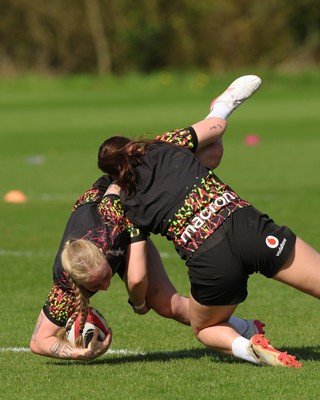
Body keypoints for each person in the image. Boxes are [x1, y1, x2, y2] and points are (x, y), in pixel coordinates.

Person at [97, 75, 320, 368]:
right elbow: (215, 130)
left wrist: (139, 304)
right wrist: (219, 111)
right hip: (243, 224)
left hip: (208, 257)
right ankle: (222, 103)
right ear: (134, 147)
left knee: (205, 329)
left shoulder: (127, 204)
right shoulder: (162, 146)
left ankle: (248, 347)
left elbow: (137, 276)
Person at [30, 164, 264, 361]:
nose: (106, 286)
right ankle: (247, 330)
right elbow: (39, 342)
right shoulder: (65, 285)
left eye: (105, 277)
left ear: (104, 255)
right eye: (95, 285)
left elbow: (137, 277)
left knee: (154, 297)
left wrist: (139, 304)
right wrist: (79, 353)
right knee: (166, 305)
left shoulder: (112, 223)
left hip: (126, 204)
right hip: (110, 229)